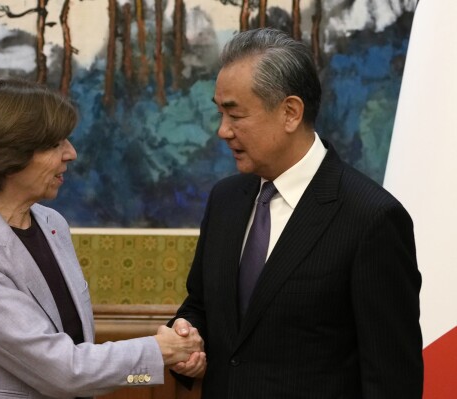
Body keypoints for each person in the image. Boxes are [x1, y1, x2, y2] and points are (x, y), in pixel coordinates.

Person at [170, 28, 423, 398]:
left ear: (290, 112)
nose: (222, 130)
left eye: (235, 114)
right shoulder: (226, 200)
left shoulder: (372, 218)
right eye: (219, 112)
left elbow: (391, 378)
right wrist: (188, 338)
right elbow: (201, 306)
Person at [0, 78, 204, 399]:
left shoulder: (50, 223)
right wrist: (161, 351)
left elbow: (78, 367)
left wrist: (169, 361)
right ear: (8, 155)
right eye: (55, 144)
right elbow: (63, 371)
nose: (70, 153)